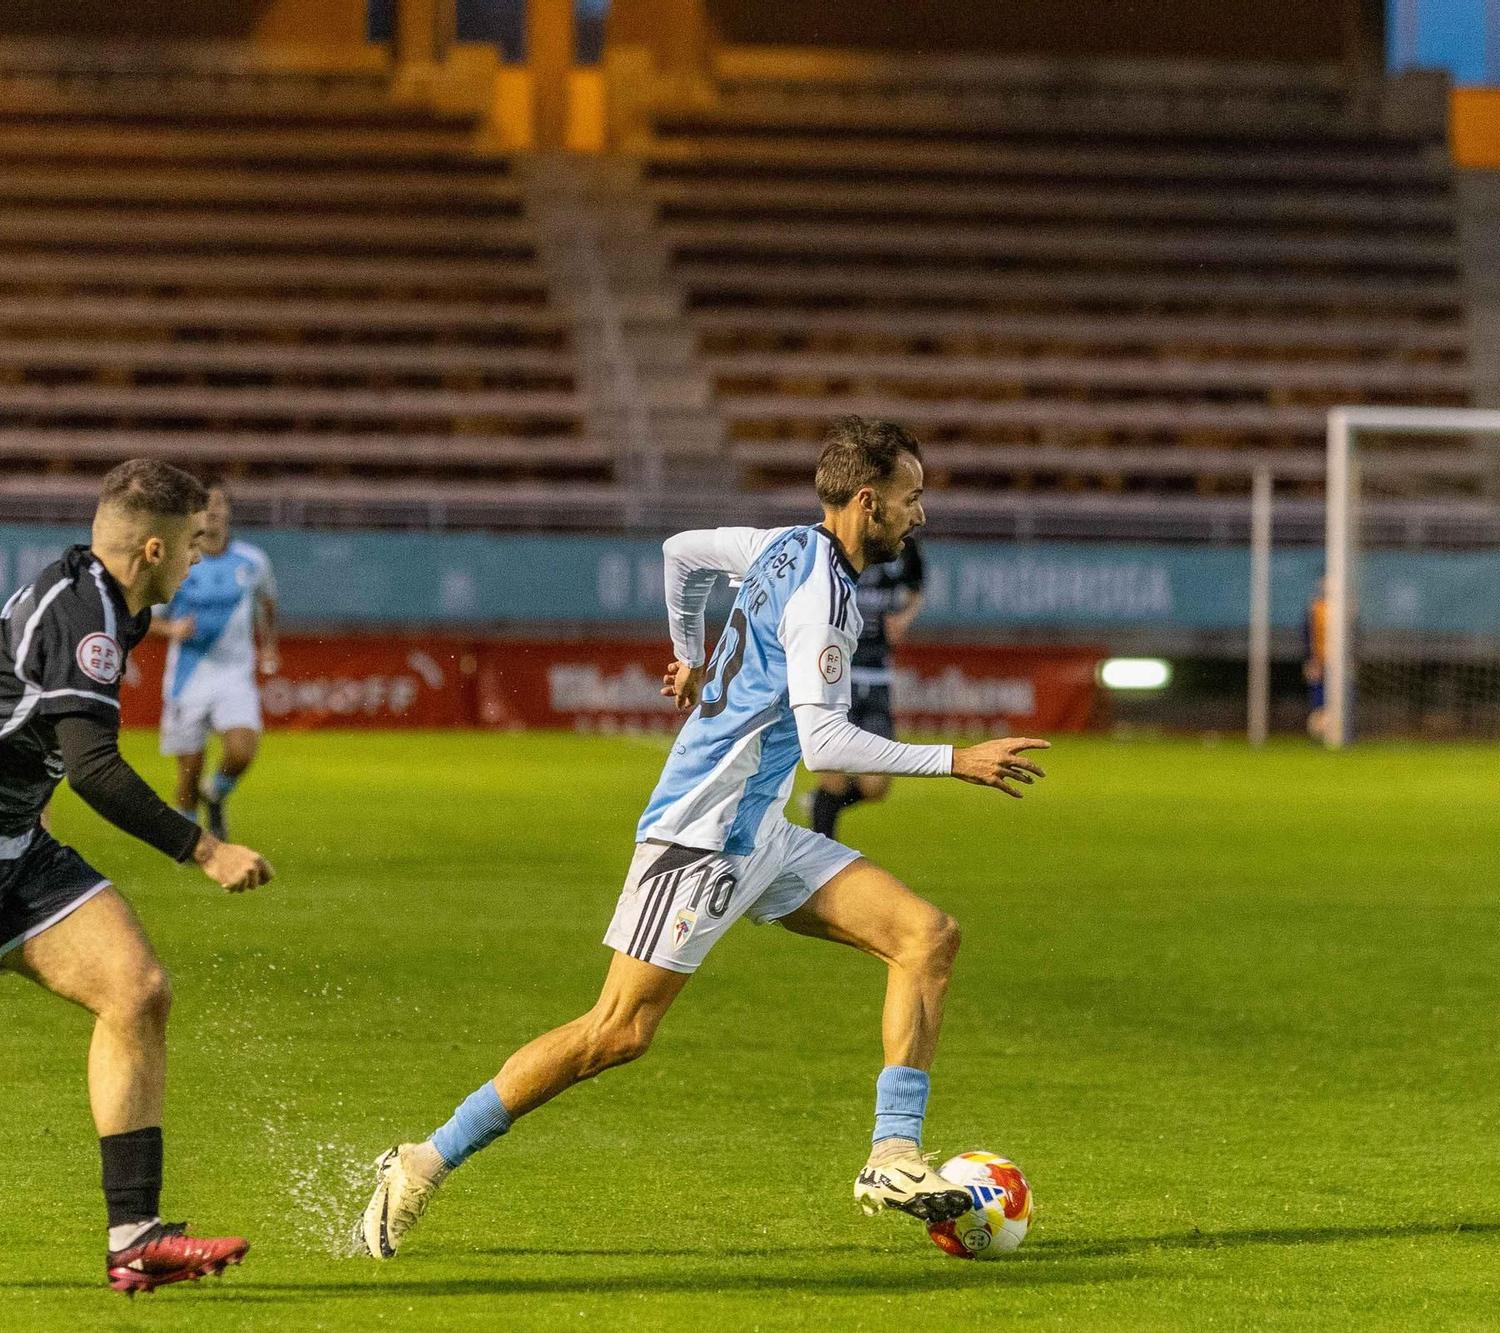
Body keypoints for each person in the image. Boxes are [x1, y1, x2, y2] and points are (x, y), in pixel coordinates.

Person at [354, 416, 1050, 1257]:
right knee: (616, 1031)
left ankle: (892, 1155)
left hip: (762, 830)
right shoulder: (824, 599)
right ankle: (422, 1159)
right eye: (912, 497)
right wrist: (955, 758)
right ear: (868, 501)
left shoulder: (784, 543)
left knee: (926, 935)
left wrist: (690, 658)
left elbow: (681, 551)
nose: (921, 515)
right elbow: (826, 741)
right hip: (703, 835)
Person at [0, 459, 275, 1293]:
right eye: (190, 546)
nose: (197, 563)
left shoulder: (108, 600)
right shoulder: (88, 615)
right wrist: (205, 849)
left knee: (137, 989)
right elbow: (96, 771)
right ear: (153, 545)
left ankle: (136, 1235)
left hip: (8, 848)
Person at [154, 480, 278, 840]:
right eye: (205, 505)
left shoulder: (253, 561)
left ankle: (217, 793)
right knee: (188, 772)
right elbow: (144, 617)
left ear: (228, 512)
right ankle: (191, 841)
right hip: (188, 678)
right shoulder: (178, 561)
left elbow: (268, 603)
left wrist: (268, 643)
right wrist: (172, 629)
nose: (213, 511)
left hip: (234, 675)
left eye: (220, 504)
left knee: (241, 750)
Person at [809, 535, 926, 837]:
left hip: (877, 681)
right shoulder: (836, 545)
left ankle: (821, 806)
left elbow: (917, 586)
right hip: (836, 680)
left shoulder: (903, 545)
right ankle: (822, 864)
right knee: (832, 777)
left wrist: (904, 618)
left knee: (875, 785)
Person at [1304, 575, 1331, 743]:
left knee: (1341, 698)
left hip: (1339, 664)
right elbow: (1307, 635)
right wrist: (1310, 659)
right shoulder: (1314, 608)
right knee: (1319, 699)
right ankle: (1319, 734)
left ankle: (1339, 731)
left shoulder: (1345, 607)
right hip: (1319, 661)